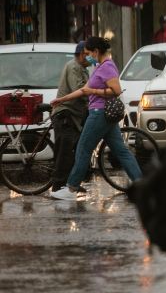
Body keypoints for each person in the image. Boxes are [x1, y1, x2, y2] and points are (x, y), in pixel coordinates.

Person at [51, 37, 143, 200]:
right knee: (121, 151)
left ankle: (71, 188)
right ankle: (141, 185)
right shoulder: (100, 67)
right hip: (103, 114)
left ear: (96, 51)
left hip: (99, 113)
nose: (87, 56)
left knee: (83, 148)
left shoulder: (107, 66)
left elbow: (116, 90)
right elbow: (83, 90)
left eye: (88, 53)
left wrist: (95, 92)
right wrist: (62, 100)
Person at [50, 41, 90, 192]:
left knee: (76, 149)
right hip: (65, 114)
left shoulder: (83, 69)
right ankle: (57, 187)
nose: (90, 57)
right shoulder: (73, 66)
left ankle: (71, 182)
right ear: (81, 54)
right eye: (88, 54)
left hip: (75, 116)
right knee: (65, 152)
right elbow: (79, 89)